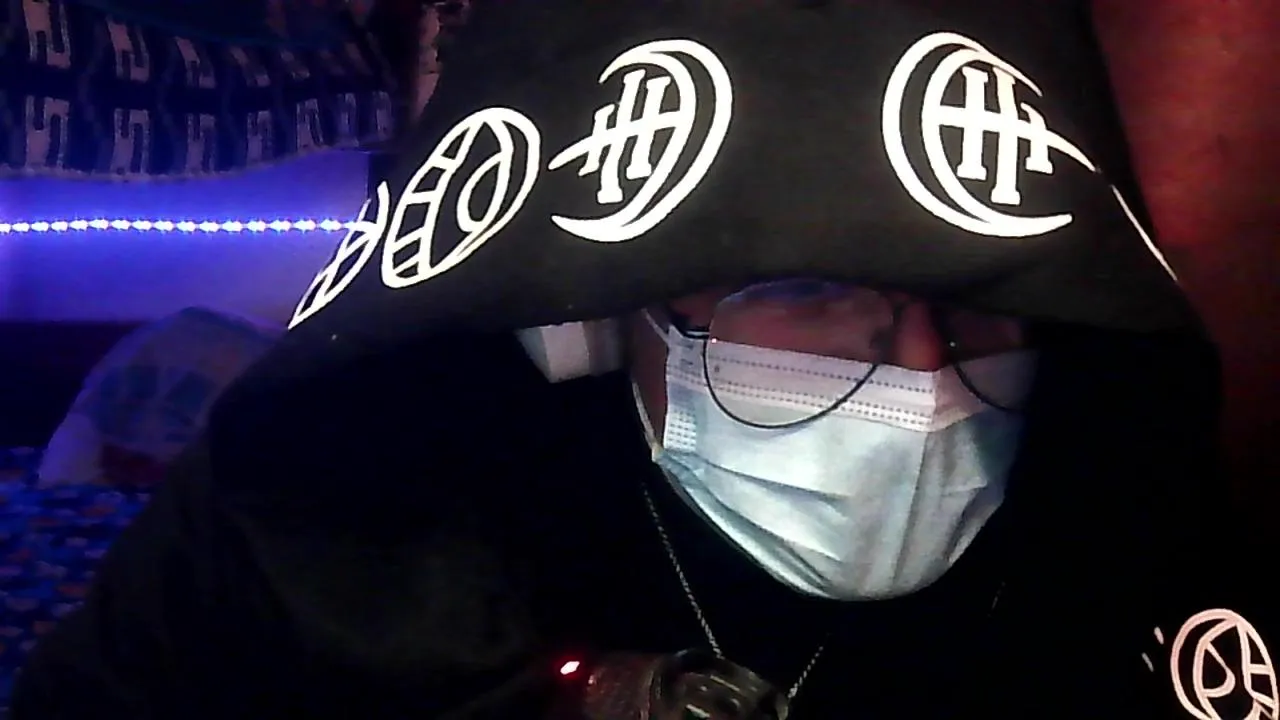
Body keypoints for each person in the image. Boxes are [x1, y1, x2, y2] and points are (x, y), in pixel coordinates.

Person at [14, 0, 1275, 718]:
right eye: (803, 290)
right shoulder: (318, 510)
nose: (921, 377)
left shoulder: (1122, 506)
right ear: (592, 310)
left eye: (981, 302)